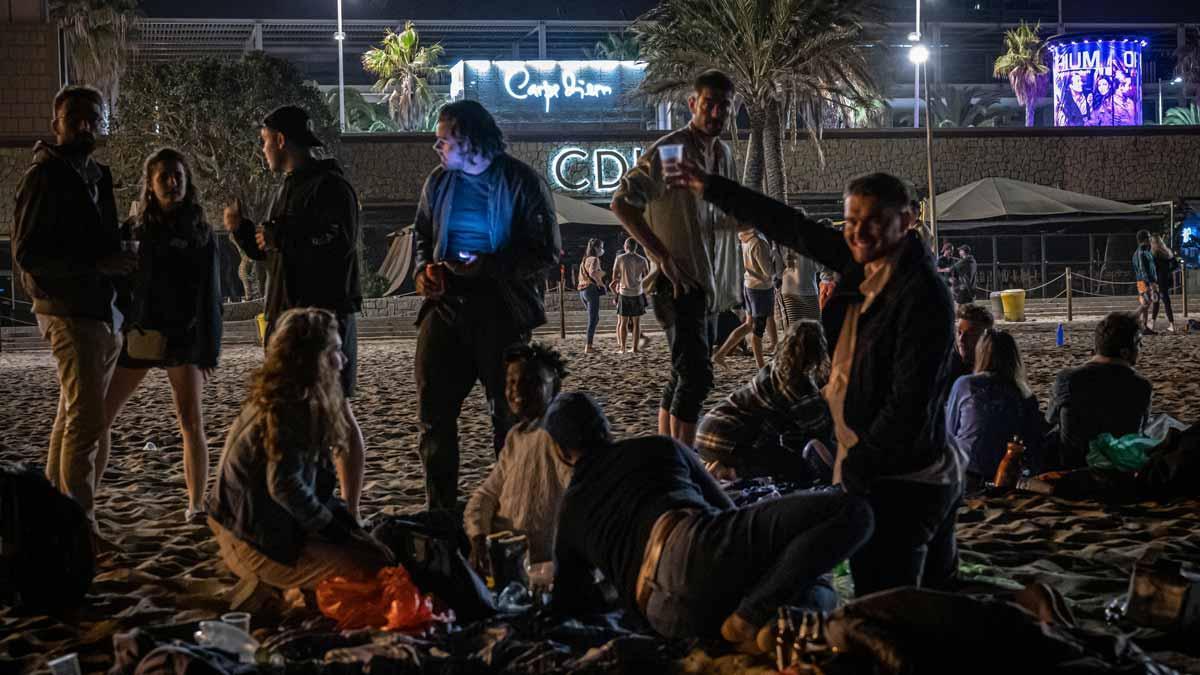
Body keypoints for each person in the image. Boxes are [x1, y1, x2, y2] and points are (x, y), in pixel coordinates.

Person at [669, 165, 961, 596]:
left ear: (908, 220)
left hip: (904, 480)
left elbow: (908, 403)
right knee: (930, 599)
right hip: (885, 465)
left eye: (875, 221)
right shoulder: (860, 262)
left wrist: (858, 467)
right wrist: (711, 187)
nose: (859, 232)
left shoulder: (924, 295)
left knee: (887, 600)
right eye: (851, 221)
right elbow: (791, 226)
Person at [545, 392, 872, 653]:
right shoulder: (656, 446)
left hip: (662, 616)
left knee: (802, 588)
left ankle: (751, 627)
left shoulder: (569, 510)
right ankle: (752, 617)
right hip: (696, 547)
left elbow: (572, 600)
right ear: (605, 427)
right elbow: (726, 509)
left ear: (560, 451)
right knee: (853, 514)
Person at [412, 100, 560, 510]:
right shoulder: (438, 183)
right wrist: (424, 271)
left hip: (501, 311)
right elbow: (422, 234)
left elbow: (547, 249)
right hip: (444, 308)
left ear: (469, 141)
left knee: (509, 416)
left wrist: (490, 266)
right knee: (434, 417)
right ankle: (441, 511)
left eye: (444, 140)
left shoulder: (522, 181)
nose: (437, 148)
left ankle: (513, 506)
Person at [224, 105, 368, 521]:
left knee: (337, 411)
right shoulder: (287, 187)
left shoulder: (331, 187)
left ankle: (351, 509)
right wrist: (241, 231)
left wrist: (281, 234)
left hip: (324, 322)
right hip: (286, 318)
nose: (263, 149)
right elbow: (274, 253)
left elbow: (335, 244)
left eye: (265, 140)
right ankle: (308, 500)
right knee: (297, 413)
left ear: (282, 140)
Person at [13, 85, 137, 542]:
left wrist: (121, 250)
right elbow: (28, 253)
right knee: (86, 420)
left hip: (101, 309)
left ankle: (51, 514)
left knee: (73, 415)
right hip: (65, 308)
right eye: (76, 117)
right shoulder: (43, 177)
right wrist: (98, 265)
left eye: (94, 117)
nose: (86, 124)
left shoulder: (97, 175)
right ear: (56, 124)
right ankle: (78, 524)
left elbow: (98, 242)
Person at [207, 308, 393, 592]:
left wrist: (345, 529)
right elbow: (285, 486)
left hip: (257, 523)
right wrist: (338, 535)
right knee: (370, 572)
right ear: (313, 359)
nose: (343, 361)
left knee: (375, 549)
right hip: (249, 537)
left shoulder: (291, 394)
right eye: (335, 351)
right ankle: (269, 587)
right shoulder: (290, 407)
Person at [611, 69, 743, 447]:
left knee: (683, 375)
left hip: (708, 283)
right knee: (697, 377)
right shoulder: (672, 151)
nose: (716, 113)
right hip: (677, 283)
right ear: (692, 104)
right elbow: (623, 203)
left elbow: (710, 214)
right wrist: (661, 257)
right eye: (709, 104)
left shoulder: (723, 154)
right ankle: (683, 459)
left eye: (724, 107)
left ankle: (668, 454)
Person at [98, 148, 222, 524]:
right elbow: (117, 283)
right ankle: (86, 497)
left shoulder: (200, 232)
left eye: (178, 176)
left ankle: (196, 504)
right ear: (150, 185)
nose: (173, 182)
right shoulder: (135, 230)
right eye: (165, 176)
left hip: (183, 339)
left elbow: (210, 296)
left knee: (191, 420)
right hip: (140, 333)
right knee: (100, 416)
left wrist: (209, 351)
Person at [464, 343, 572, 571]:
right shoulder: (516, 437)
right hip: (501, 546)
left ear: (555, 387)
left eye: (531, 382)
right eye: (511, 382)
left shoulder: (561, 434)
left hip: (532, 561)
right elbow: (486, 494)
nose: (518, 391)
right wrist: (478, 537)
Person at [695, 320, 834, 483]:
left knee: (781, 455)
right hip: (726, 441)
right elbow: (821, 429)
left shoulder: (776, 368)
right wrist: (828, 398)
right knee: (796, 469)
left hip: (707, 431)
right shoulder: (799, 387)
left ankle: (724, 466)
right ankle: (727, 471)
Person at [1045, 312, 1152, 470]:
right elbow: (1138, 430)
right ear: (1125, 353)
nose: (1141, 349)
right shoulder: (1141, 385)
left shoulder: (1067, 378)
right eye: (1138, 344)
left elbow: (1050, 419)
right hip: (1119, 466)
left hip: (1071, 464)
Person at [945, 328, 1044, 492]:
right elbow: (1033, 439)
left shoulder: (966, 384)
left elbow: (950, 430)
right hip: (1010, 471)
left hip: (968, 468)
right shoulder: (1024, 393)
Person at [712, 226, 775, 369]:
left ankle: (721, 354)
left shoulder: (744, 239)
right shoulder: (758, 242)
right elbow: (768, 272)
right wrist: (776, 259)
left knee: (748, 325)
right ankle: (761, 366)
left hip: (750, 286)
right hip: (760, 289)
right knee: (757, 328)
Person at [610, 237, 649, 353]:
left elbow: (614, 277)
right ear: (636, 247)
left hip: (624, 293)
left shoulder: (619, 258)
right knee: (637, 323)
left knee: (623, 322)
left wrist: (622, 278)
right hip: (638, 292)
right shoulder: (643, 260)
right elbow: (647, 277)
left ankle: (622, 348)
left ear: (625, 246)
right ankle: (635, 348)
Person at [949, 303, 995, 382]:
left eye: (970, 334)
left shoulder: (995, 368)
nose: (961, 339)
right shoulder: (947, 369)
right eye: (959, 332)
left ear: (985, 337)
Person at [576, 238, 606, 354]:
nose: (602, 250)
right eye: (601, 247)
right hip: (590, 289)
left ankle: (589, 343)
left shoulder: (584, 260)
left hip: (582, 291)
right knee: (593, 319)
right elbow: (593, 273)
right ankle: (588, 346)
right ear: (596, 248)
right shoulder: (594, 259)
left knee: (594, 318)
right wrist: (600, 283)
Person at [1150, 234, 1178, 333]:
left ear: (1153, 242)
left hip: (1157, 280)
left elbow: (1153, 268)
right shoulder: (1167, 251)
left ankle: (1152, 324)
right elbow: (1175, 264)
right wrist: (1168, 270)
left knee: (1156, 302)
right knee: (1166, 302)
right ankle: (1172, 325)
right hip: (1166, 279)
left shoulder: (1153, 253)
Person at [1132, 230, 1159, 333]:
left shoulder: (1144, 251)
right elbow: (1143, 269)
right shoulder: (1141, 253)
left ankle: (1144, 326)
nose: (1150, 239)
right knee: (1146, 303)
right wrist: (1150, 283)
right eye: (1148, 237)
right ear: (1144, 239)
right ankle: (1134, 320)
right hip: (1144, 282)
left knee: (1146, 303)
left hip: (1143, 281)